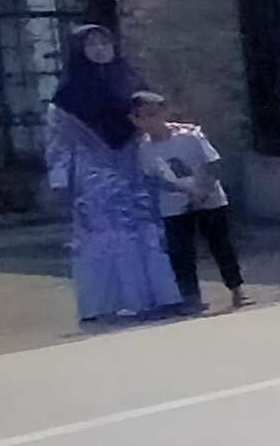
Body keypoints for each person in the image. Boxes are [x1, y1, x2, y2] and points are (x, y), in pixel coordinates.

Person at [47, 24, 178, 324]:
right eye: (92, 44)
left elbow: (154, 117)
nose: (100, 49)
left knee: (143, 229)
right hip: (94, 172)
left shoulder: (130, 81)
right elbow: (58, 140)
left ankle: (155, 297)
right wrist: (59, 178)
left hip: (134, 165)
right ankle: (107, 303)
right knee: (105, 235)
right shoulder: (68, 93)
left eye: (104, 42)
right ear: (80, 50)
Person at [131, 91, 244, 315]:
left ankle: (236, 289)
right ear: (135, 120)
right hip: (173, 206)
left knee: (220, 246)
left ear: (164, 113)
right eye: (142, 117)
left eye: (153, 115)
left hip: (209, 200)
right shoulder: (144, 148)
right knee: (180, 253)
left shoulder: (190, 136)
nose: (149, 121)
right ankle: (191, 297)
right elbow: (151, 178)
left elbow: (211, 163)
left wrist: (202, 191)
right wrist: (181, 191)